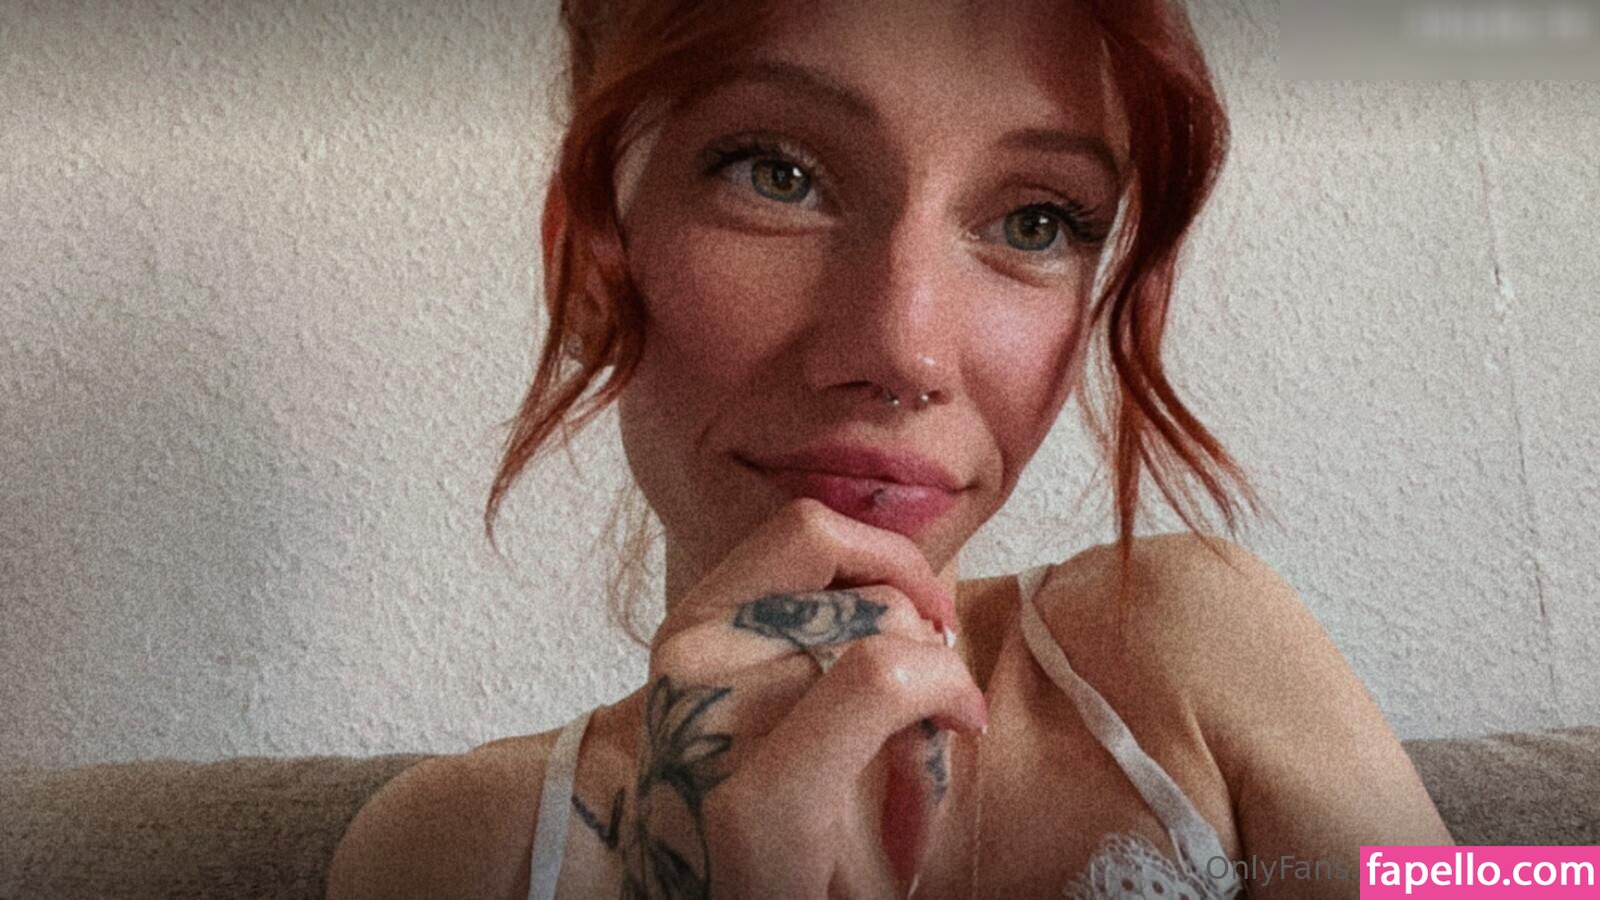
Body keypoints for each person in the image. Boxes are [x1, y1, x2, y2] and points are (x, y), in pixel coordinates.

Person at [328, 0, 1453, 896]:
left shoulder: (1195, 639)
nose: (906, 351)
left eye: (1036, 222)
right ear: (587, 269)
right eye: (776, 173)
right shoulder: (455, 853)